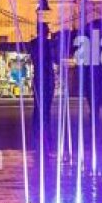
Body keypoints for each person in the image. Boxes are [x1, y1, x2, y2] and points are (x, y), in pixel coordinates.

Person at [29, 22, 56, 152]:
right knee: (45, 109)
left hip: (38, 78)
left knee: (38, 108)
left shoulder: (33, 43)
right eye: (47, 29)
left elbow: (33, 57)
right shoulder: (49, 44)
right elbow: (55, 59)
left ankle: (37, 134)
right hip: (47, 78)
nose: (49, 31)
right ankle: (45, 135)